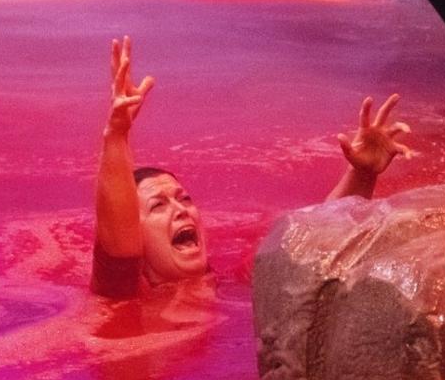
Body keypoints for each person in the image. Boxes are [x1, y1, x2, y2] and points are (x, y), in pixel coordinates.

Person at [91, 36, 412, 299]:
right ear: (135, 238)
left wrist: (362, 173)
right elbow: (117, 243)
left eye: (184, 199)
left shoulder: (235, 284)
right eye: (158, 206)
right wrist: (117, 134)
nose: (181, 210)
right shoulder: (127, 296)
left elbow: (320, 238)